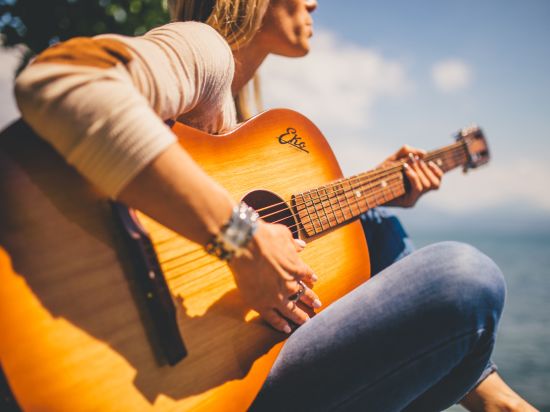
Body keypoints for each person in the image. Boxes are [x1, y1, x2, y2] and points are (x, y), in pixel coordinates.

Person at [12, 0, 537, 410]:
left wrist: (378, 187)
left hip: (235, 373)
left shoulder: (251, 124)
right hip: (143, 375)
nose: (314, 4)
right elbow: (64, 79)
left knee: (375, 225)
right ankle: (491, 395)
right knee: (464, 276)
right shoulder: (204, 50)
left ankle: (491, 394)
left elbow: (276, 227)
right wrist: (240, 241)